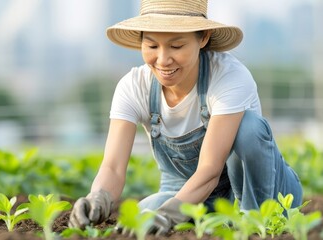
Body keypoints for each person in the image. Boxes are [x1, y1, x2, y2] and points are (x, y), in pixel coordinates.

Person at [68, 0, 303, 235]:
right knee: (142, 214)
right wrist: (98, 197)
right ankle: (213, 219)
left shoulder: (229, 76)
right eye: (151, 45)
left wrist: (169, 215)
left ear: (203, 38)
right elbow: (113, 167)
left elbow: (210, 170)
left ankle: (255, 220)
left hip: (259, 187)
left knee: (248, 128)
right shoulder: (133, 87)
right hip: (187, 194)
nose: (163, 60)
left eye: (176, 46)